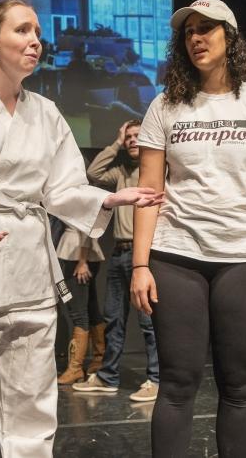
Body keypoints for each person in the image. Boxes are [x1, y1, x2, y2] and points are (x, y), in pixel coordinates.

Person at [0, 0, 163, 457]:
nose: (35, 41)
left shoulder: (46, 112)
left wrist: (108, 197)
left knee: (33, 406)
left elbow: (64, 188)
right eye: (21, 31)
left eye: (37, 32)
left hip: (30, 265)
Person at [130, 0, 246, 457]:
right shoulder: (165, 106)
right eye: (189, 32)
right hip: (175, 254)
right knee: (178, 382)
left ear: (231, 37)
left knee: (240, 385)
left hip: (244, 258)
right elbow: (148, 192)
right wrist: (140, 264)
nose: (196, 38)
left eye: (207, 29)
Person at [73, 120, 161, 402]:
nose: (133, 140)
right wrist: (116, 140)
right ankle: (108, 376)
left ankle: (156, 380)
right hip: (119, 253)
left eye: (138, 136)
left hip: (144, 254)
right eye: (129, 137)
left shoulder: (155, 171)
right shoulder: (121, 173)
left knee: (148, 322)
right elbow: (93, 173)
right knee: (113, 319)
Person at [55, 224, 105, 385]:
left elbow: (87, 227)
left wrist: (82, 261)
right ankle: (99, 360)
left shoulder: (81, 198)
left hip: (78, 256)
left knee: (79, 313)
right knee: (91, 307)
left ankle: (75, 368)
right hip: (77, 253)